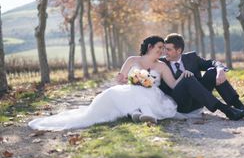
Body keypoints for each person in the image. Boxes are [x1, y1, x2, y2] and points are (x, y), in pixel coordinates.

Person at [28, 36, 194, 131]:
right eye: (159, 47)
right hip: (132, 89)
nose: (162, 51)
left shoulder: (162, 65)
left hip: (153, 94)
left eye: (164, 48)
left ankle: (142, 113)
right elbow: (120, 79)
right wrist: (125, 78)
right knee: (112, 93)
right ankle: (136, 113)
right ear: (150, 47)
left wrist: (184, 76)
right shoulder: (132, 60)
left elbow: (172, 85)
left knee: (145, 92)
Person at [159, 33, 244, 120]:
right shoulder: (161, 63)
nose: (165, 52)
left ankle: (240, 107)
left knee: (212, 71)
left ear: (179, 50)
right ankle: (227, 110)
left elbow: (212, 62)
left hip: (198, 100)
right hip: (181, 104)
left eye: (168, 49)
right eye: (164, 49)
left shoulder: (192, 58)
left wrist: (220, 70)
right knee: (187, 77)